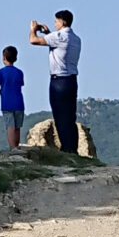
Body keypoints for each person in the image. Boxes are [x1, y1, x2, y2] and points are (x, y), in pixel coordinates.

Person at [27, 10, 82, 155]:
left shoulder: (59, 36)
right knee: (70, 117)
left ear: (62, 22)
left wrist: (33, 29)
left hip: (59, 82)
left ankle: (66, 149)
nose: (54, 23)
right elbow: (57, 44)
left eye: (56, 21)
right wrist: (47, 33)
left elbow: (33, 40)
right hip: (71, 80)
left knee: (60, 116)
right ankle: (73, 149)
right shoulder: (76, 39)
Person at [0, 45, 26, 150]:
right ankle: (17, 146)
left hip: (7, 103)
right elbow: (19, 85)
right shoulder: (19, 72)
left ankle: (12, 149)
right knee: (17, 127)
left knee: (10, 126)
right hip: (19, 103)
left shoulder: (0, 72)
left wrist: (1, 92)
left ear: (4, 57)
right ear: (16, 58)